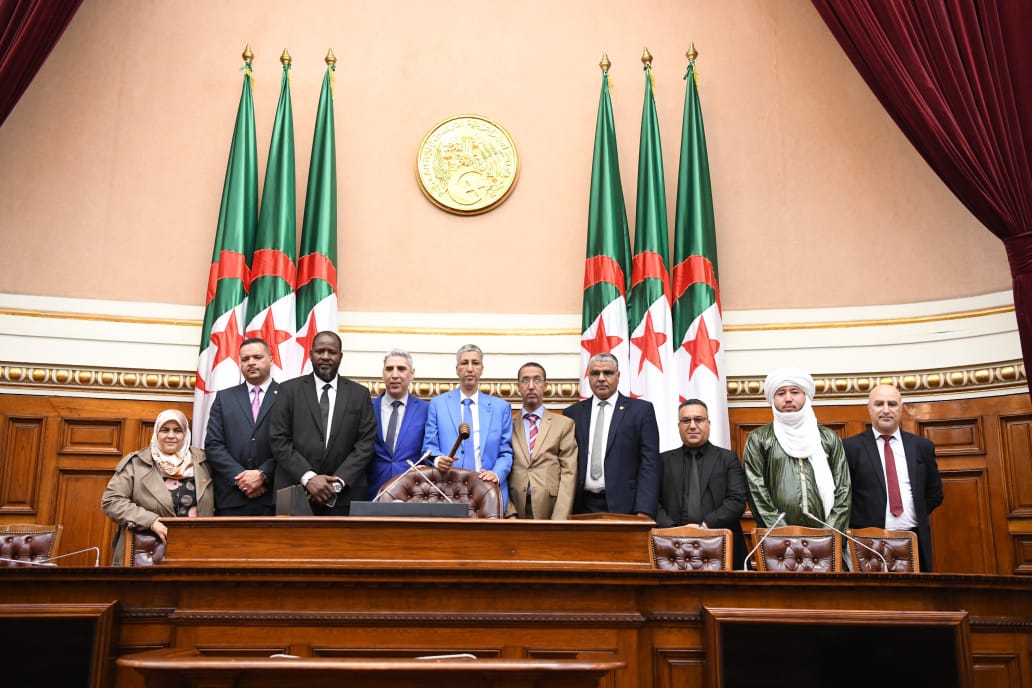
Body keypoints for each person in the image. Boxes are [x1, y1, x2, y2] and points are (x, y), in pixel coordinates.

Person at [270, 331, 376, 515]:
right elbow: (278, 439)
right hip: (296, 494)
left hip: (343, 497)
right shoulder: (288, 390)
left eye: (332, 352)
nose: (326, 356)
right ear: (311, 355)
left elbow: (365, 443)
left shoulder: (360, 394)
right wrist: (309, 478)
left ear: (340, 357)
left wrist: (337, 483)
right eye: (320, 351)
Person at [843, 384, 943, 571]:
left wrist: (910, 515)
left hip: (914, 538)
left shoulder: (922, 447)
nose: (886, 410)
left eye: (892, 404)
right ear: (869, 408)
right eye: (879, 404)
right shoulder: (850, 448)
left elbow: (934, 494)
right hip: (867, 543)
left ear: (901, 408)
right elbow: (844, 497)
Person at [743, 368, 851, 533]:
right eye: (781, 393)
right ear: (773, 398)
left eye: (795, 392)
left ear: (805, 396)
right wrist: (780, 532)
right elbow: (755, 489)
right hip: (776, 537)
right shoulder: (759, 438)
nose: (788, 398)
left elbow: (843, 487)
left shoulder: (828, 437)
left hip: (826, 533)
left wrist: (830, 531)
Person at [101, 409, 213, 565]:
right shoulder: (136, 463)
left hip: (196, 551)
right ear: (156, 433)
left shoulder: (204, 462)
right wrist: (151, 521)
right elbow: (111, 501)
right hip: (146, 554)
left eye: (178, 430)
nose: (171, 436)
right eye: (165, 430)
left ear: (186, 434)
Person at [562, 352, 660, 518]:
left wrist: (644, 509)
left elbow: (649, 463)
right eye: (595, 373)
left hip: (626, 506)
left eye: (607, 373)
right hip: (580, 505)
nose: (601, 378)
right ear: (588, 377)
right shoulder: (573, 413)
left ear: (618, 376)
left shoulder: (641, 411)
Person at [657, 399, 748, 568]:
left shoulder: (728, 459)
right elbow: (653, 503)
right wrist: (675, 530)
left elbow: (737, 500)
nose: (692, 426)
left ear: (708, 424)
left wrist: (704, 526)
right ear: (679, 426)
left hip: (721, 543)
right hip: (672, 545)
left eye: (698, 420)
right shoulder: (663, 461)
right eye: (686, 420)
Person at [423, 344, 513, 506]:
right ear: (457, 369)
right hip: (447, 490)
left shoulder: (500, 408)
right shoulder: (438, 404)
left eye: (475, 363)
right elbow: (429, 447)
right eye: (464, 363)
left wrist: (496, 474)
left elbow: (505, 452)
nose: (470, 368)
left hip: (487, 490)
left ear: (482, 369)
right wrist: (437, 460)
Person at [204, 337, 278, 515]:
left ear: (271, 359)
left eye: (257, 357)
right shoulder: (224, 398)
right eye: (245, 359)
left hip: (273, 499)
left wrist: (263, 475)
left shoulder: (288, 396)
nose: (251, 362)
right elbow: (213, 445)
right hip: (232, 499)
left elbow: (294, 444)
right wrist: (242, 479)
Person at [507, 362, 577, 519]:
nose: (531, 386)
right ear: (518, 386)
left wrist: (560, 518)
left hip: (550, 508)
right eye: (525, 380)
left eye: (537, 380)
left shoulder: (564, 424)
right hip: (516, 508)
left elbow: (569, 472)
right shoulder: (507, 424)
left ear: (545, 385)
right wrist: (509, 512)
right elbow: (501, 467)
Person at [368, 349, 428, 499]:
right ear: (383, 373)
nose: (394, 375)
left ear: (412, 373)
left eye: (401, 369)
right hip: (372, 492)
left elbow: (430, 450)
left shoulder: (426, 410)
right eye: (389, 369)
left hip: (412, 494)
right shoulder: (367, 408)